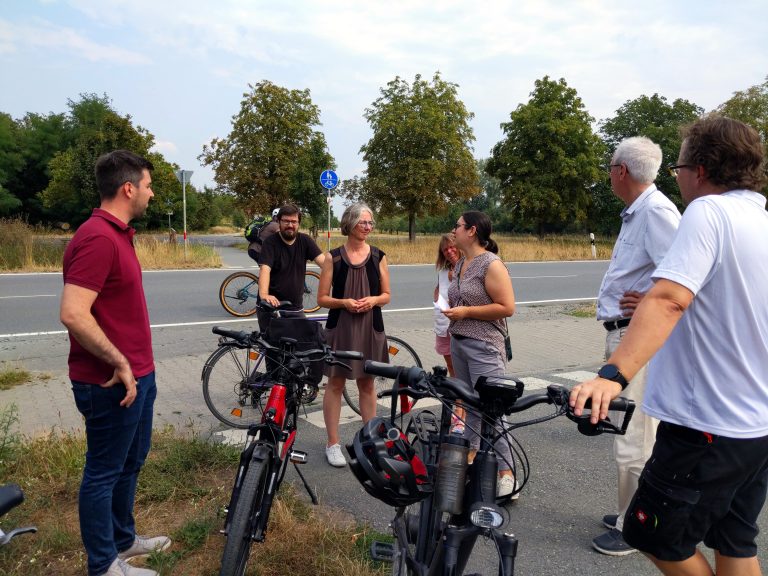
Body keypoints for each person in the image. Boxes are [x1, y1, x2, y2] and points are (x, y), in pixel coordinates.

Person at [570, 116, 768, 576]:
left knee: (651, 533)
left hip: (707, 421)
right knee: (735, 540)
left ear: (699, 169)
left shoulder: (709, 211)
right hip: (755, 422)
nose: (674, 178)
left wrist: (613, 374)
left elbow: (668, 299)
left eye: (677, 167)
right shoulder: (760, 219)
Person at [60, 150, 169, 576]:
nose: (151, 192)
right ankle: (103, 565)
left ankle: (123, 541)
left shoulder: (119, 233)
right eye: (148, 184)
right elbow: (73, 312)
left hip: (139, 373)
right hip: (108, 381)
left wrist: (138, 366)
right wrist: (119, 362)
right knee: (103, 472)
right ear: (128, 188)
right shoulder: (97, 238)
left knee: (131, 460)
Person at [591, 137, 681, 556]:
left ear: (621, 171)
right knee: (634, 429)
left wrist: (650, 300)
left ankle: (634, 525)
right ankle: (632, 509)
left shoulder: (657, 212)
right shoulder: (639, 212)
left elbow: (684, 275)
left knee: (633, 433)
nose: (609, 173)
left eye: (611, 167)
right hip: (624, 331)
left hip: (635, 334)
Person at [443, 210, 517, 497]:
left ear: (472, 231)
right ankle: (474, 461)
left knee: (493, 409)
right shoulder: (462, 262)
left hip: (485, 346)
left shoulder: (491, 264)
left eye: (458, 226)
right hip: (459, 342)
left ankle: (507, 472)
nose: (454, 230)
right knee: (472, 407)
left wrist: (467, 311)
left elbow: (507, 307)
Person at [317, 203, 391, 467]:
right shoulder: (332, 258)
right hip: (342, 326)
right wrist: (345, 303)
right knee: (336, 382)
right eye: (364, 223)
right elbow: (322, 298)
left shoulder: (379, 256)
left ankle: (370, 442)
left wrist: (372, 300)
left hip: (370, 326)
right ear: (350, 223)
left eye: (371, 223)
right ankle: (333, 443)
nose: (368, 228)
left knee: (367, 383)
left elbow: (387, 295)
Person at [256, 204, 324, 331]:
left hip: (295, 307)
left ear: (299, 223)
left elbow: (325, 264)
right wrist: (264, 294)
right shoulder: (270, 243)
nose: (290, 225)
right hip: (272, 307)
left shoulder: (305, 241)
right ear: (279, 221)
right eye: (286, 221)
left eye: (294, 221)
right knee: (272, 348)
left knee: (300, 345)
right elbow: (265, 269)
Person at [434, 233, 460, 377]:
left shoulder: (469, 266)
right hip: (444, 324)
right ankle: (456, 397)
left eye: (452, 247)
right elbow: (439, 289)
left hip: (462, 327)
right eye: (445, 250)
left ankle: (462, 398)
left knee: (461, 367)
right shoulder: (443, 271)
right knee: (451, 366)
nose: (449, 252)